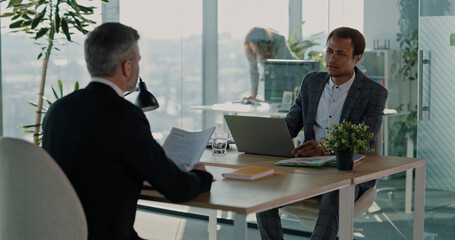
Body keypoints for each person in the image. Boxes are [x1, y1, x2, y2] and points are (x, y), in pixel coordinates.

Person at [42, 22, 213, 240]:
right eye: (138, 61)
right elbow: (176, 188)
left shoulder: (58, 110)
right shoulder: (125, 115)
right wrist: (201, 175)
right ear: (127, 67)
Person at [256, 27, 388, 240]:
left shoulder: (374, 92)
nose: (331, 58)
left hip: (348, 171)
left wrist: (326, 147)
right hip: (307, 169)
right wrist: (259, 137)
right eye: (329, 51)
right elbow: (291, 123)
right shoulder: (311, 82)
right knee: (263, 192)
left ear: (357, 57)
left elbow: (365, 135)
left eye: (340, 54)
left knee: (334, 195)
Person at [244, 26, 297, 100]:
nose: (254, 50)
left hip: (291, 73)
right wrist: (253, 95)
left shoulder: (279, 40)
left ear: (262, 44)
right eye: (252, 46)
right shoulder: (249, 49)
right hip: (275, 75)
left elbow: (280, 66)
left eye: (256, 46)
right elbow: (253, 72)